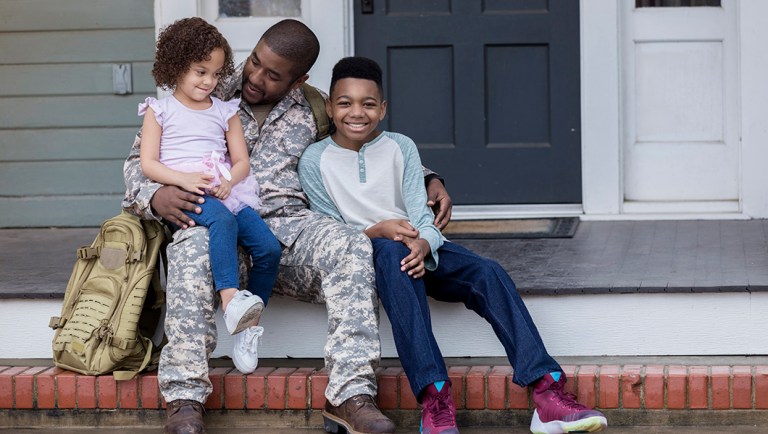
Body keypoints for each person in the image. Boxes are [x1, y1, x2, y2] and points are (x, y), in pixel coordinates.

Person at [122, 19, 454, 434]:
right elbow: (138, 164)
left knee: (351, 245)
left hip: (291, 231)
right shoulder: (209, 85)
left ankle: (350, 394)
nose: (255, 77)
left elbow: (366, 143)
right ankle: (184, 399)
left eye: (273, 75)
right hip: (218, 230)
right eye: (254, 62)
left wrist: (427, 177)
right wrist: (155, 196)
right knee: (189, 250)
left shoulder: (315, 107)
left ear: (298, 80)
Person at [298, 56, 609, 434]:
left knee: (487, 272)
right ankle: (435, 398)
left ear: (383, 108)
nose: (356, 112)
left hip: (420, 247)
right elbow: (330, 231)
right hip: (368, 255)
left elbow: (421, 214)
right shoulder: (314, 160)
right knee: (393, 254)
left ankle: (547, 390)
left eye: (368, 103)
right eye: (345, 103)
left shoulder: (400, 147)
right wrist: (376, 231)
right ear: (330, 108)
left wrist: (424, 244)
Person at [138, 17, 281, 376]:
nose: (208, 82)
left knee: (268, 248)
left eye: (216, 74)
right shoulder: (160, 111)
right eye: (200, 72)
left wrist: (229, 181)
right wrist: (182, 180)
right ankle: (230, 300)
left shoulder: (224, 111)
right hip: (187, 194)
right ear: (176, 66)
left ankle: (247, 329)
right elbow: (149, 164)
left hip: (224, 192)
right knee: (221, 220)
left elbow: (242, 161)